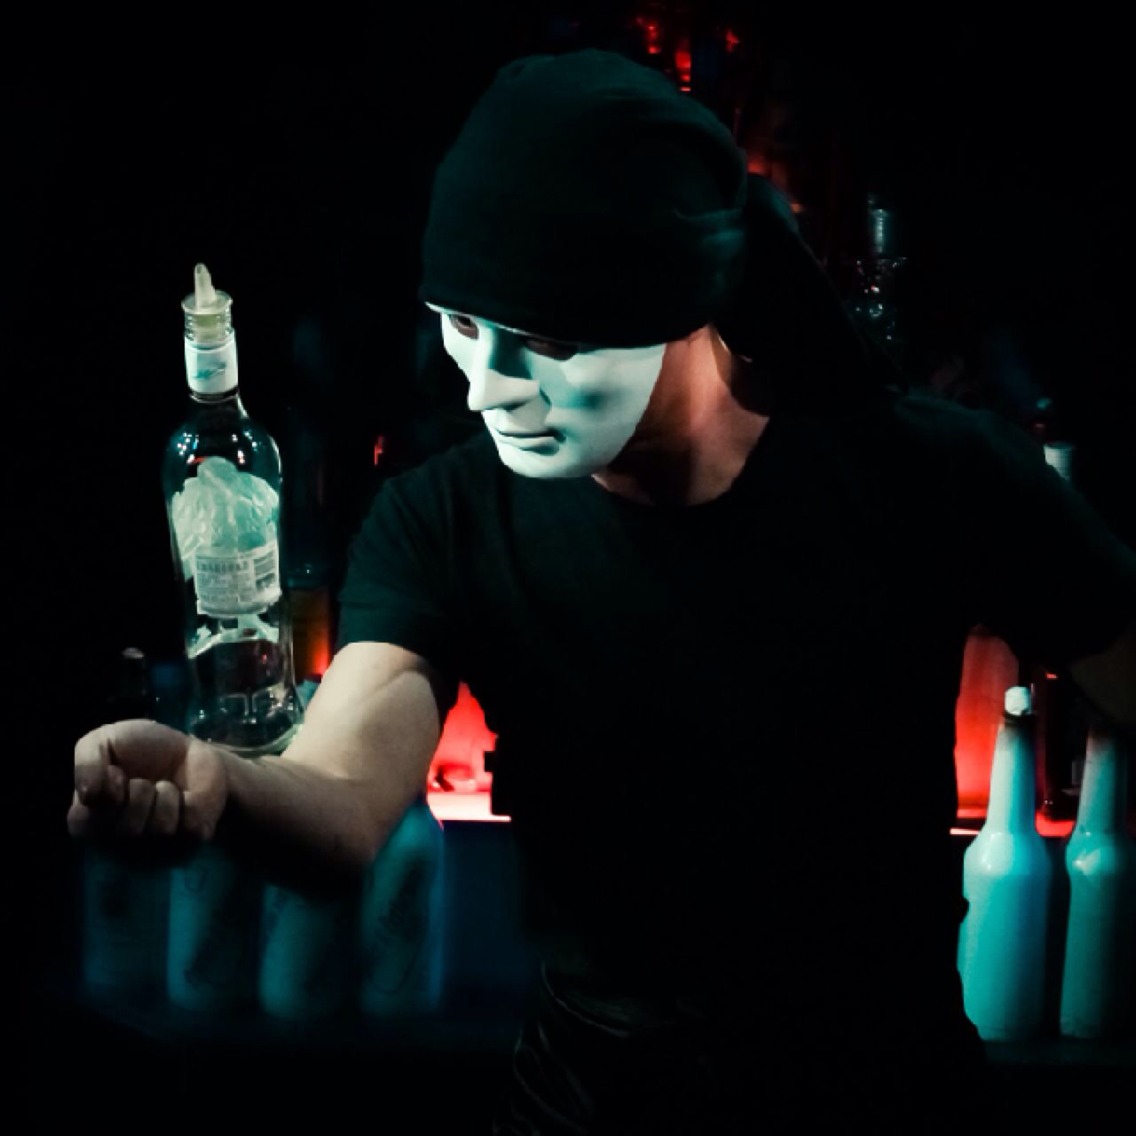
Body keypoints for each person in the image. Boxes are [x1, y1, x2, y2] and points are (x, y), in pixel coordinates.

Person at [69, 49, 1136, 1134]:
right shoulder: (446, 520)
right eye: (462, 325)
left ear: (682, 299)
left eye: (546, 340)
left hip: (884, 1097)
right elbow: (341, 797)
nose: (488, 388)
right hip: (593, 1102)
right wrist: (219, 784)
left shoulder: (926, 472)